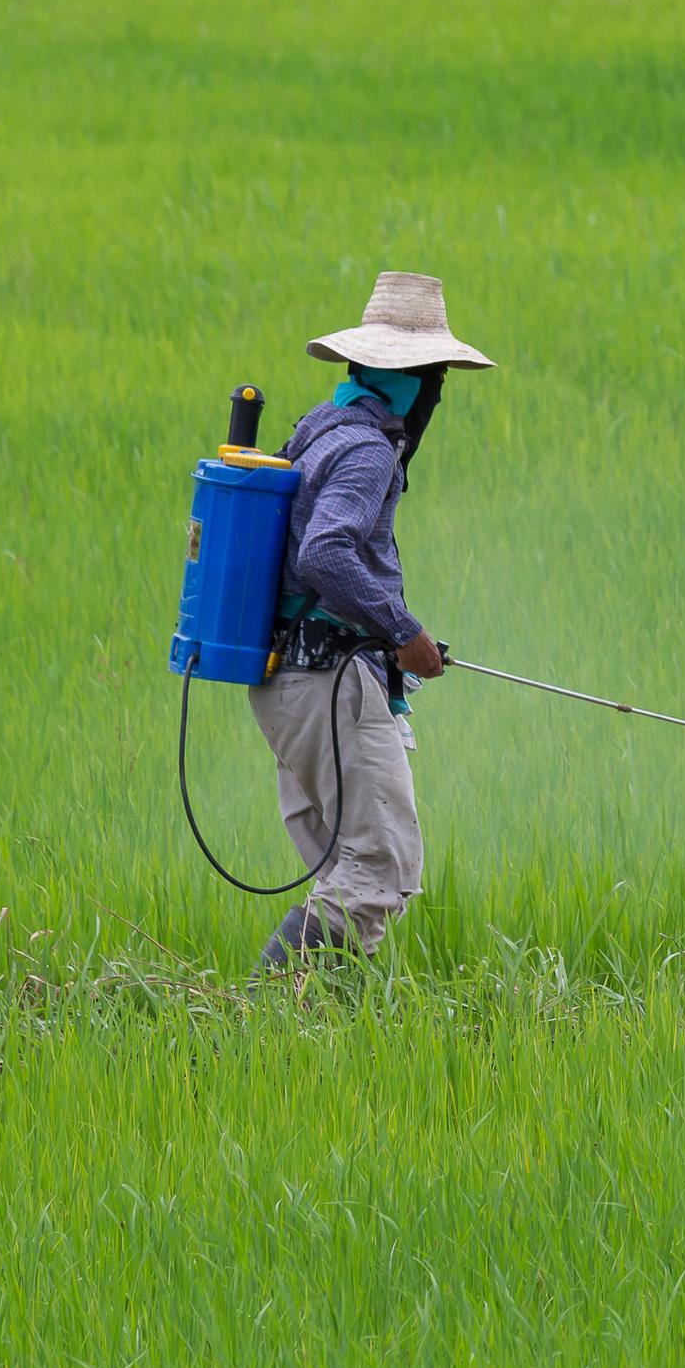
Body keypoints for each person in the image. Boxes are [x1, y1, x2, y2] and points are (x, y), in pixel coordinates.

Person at [253, 270, 493, 969]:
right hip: (329, 681)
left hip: (289, 679)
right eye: (436, 376)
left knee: (346, 870)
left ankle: (314, 1039)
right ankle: (267, 1022)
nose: (436, 392)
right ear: (411, 376)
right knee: (378, 868)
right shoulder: (364, 448)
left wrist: (389, 639)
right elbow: (328, 552)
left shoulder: (318, 428)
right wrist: (402, 632)